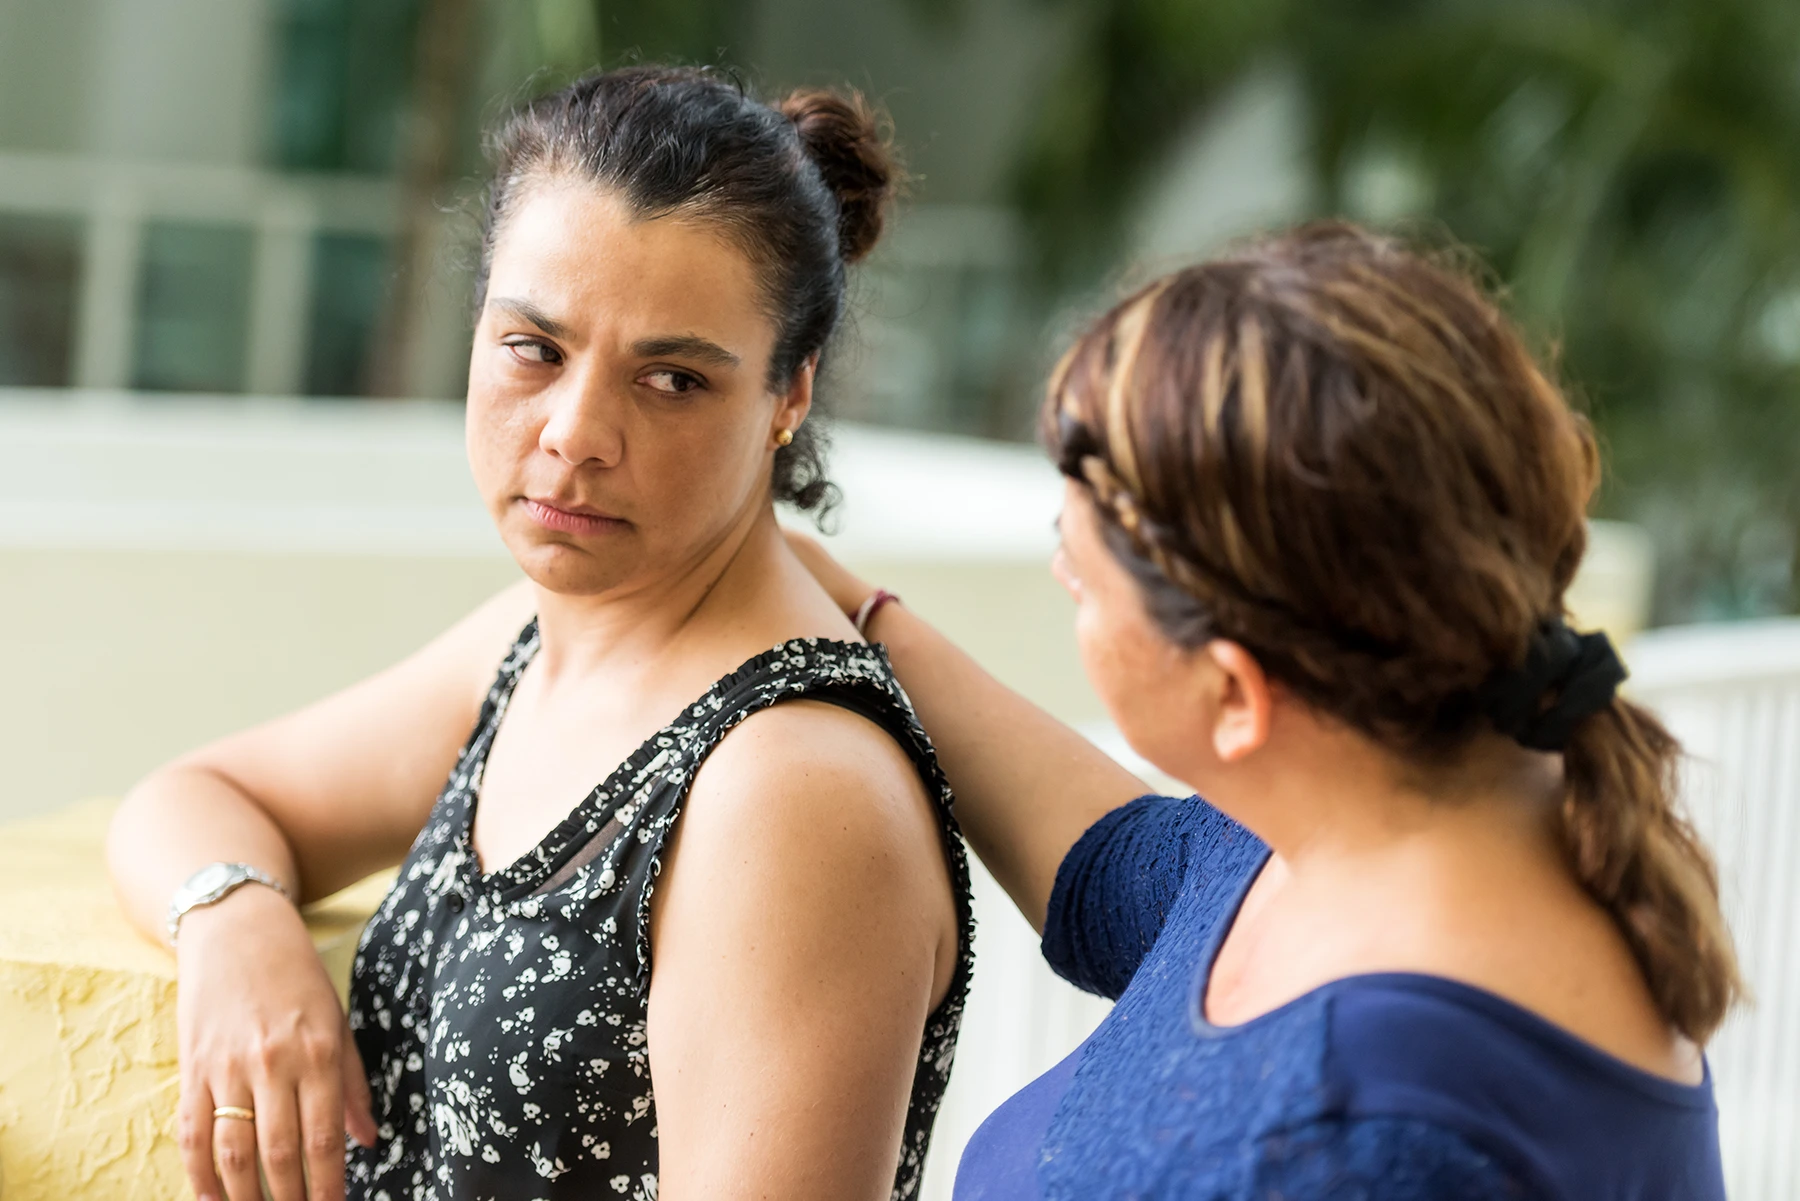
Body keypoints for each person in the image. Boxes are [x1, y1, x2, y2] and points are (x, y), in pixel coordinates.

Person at [107, 66, 972, 1201]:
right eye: (535, 349)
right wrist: (234, 921)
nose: (575, 435)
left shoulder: (791, 790)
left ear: (787, 398)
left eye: (671, 379)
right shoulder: (544, 639)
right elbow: (199, 792)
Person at [790, 222, 1740, 1199]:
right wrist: (853, 609)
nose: (1060, 571)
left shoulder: (1350, 1145)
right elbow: (1120, 870)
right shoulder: (1399, 822)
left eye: (1081, 572)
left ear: (1238, 694)